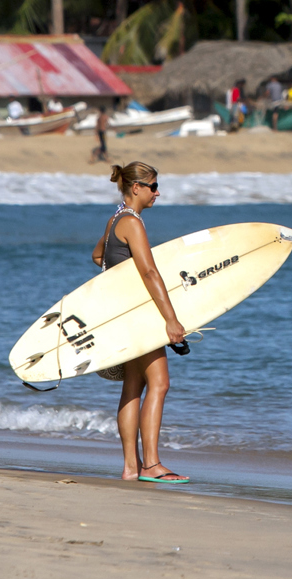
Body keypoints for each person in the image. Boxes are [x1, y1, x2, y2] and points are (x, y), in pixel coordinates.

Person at [90, 162, 190, 484]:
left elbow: (98, 256)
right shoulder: (132, 223)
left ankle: (131, 468)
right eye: (153, 186)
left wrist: (120, 281)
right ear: (137, 188)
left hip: (122, 316)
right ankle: (151, 464)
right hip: (139, 318)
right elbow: (149, 272)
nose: (157, 192)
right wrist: (171, 320)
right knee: (160, 384)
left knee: (133, 388)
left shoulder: (115, 219)